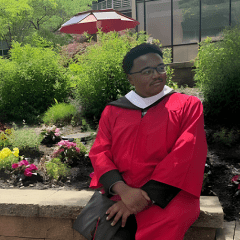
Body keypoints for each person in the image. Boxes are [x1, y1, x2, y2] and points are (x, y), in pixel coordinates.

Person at [88, 43, 207, 240]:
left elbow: (187, 152)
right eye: (147, 71)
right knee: (108, 227)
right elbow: (100, 152)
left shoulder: (187, 106)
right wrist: (122, 190)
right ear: (130, 78)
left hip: (169, 194)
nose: (157, 75)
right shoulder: (113, 111)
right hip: (121, 189)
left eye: (161, 68)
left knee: (162, 227)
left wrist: (142, 197)